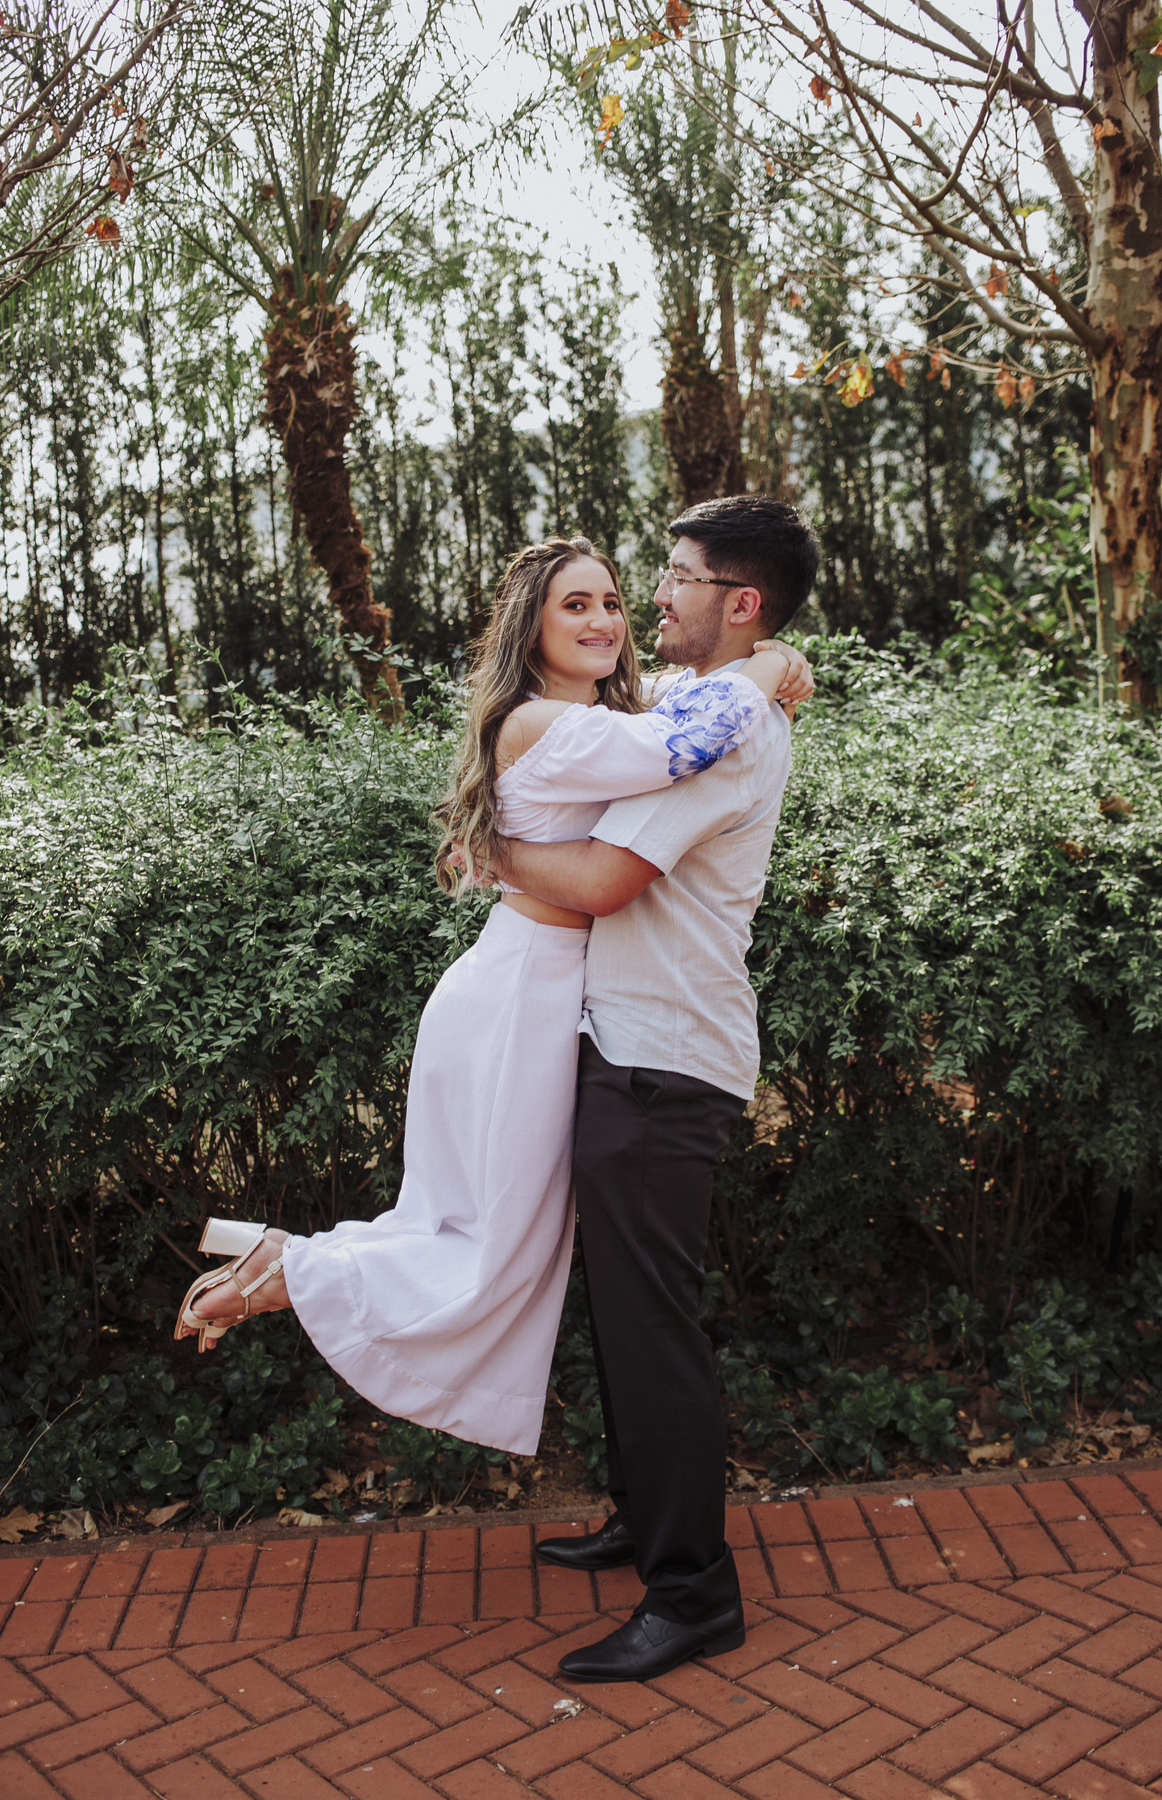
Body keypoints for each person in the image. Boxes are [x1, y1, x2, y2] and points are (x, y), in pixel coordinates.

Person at [173, 535, 813, 1468]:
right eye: (574, 606)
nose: (607, 618)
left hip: (538, 992)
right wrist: (765, 666)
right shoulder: (545, 722)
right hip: (521, 999)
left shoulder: (599, 715)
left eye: (612, 602)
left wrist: (771, 658)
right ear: (529, 630)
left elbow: (678, 713)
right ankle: (294, 1273)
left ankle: (292, 1263)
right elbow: (677, 744)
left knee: (486, 1230)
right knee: (494, 1240)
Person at [473, 496, 820, 1683]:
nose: (652, 596)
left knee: (654, 1328)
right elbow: (642, 713)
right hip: (626, 1045)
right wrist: (774, 662)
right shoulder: (690, 705)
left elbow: (604, 881)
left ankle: (693, 1593)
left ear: (740, 600)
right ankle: (644, 1518)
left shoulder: (726, 737)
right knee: (624, 1316)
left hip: (664, 1060)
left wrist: (484, 843)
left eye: (676, 578)